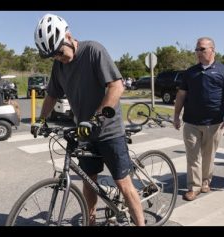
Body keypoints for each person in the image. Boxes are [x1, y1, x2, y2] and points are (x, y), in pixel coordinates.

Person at [32, 13, 145, 226]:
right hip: (84, 131)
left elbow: (116, 86)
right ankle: (89, 221)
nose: (58, 57)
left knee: (122, 183)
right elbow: (52, 95)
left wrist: (95, 118)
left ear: (68, 36)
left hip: (108, 129)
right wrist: (41, 120)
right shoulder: (59, 66)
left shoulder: (93, 50)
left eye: (59, 52)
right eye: (53, 56)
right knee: (88, 179)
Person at [173, 37, 224, 201]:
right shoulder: (190, 72)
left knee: (209, 156)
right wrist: (176, 116)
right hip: (191, 122)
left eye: (202, 49)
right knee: (193, 157)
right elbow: (181, 95)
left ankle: (205, 181)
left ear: (212, 50)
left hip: (214, 123)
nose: (198, 52)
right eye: (197, 49)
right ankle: (193, 187)